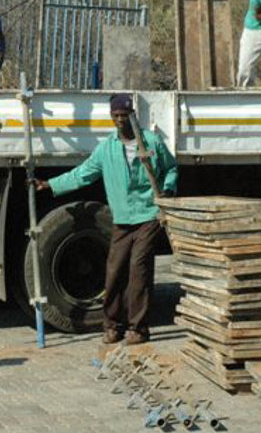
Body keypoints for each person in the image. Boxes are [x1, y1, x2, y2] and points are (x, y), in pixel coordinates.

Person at [33, 94, 178, 345]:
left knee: (139, 269)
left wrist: (167, 189)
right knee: (114, 271)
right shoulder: (107, 148)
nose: (120, 120)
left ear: (132, 116)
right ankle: (112, 325)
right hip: (122, 218)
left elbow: (171, 168)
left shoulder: (151, 142)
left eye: (125, 115)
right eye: (116, 116)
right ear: (112, 117)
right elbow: (82, 174)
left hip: (148, 215)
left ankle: (138, 328)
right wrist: (50, 184)